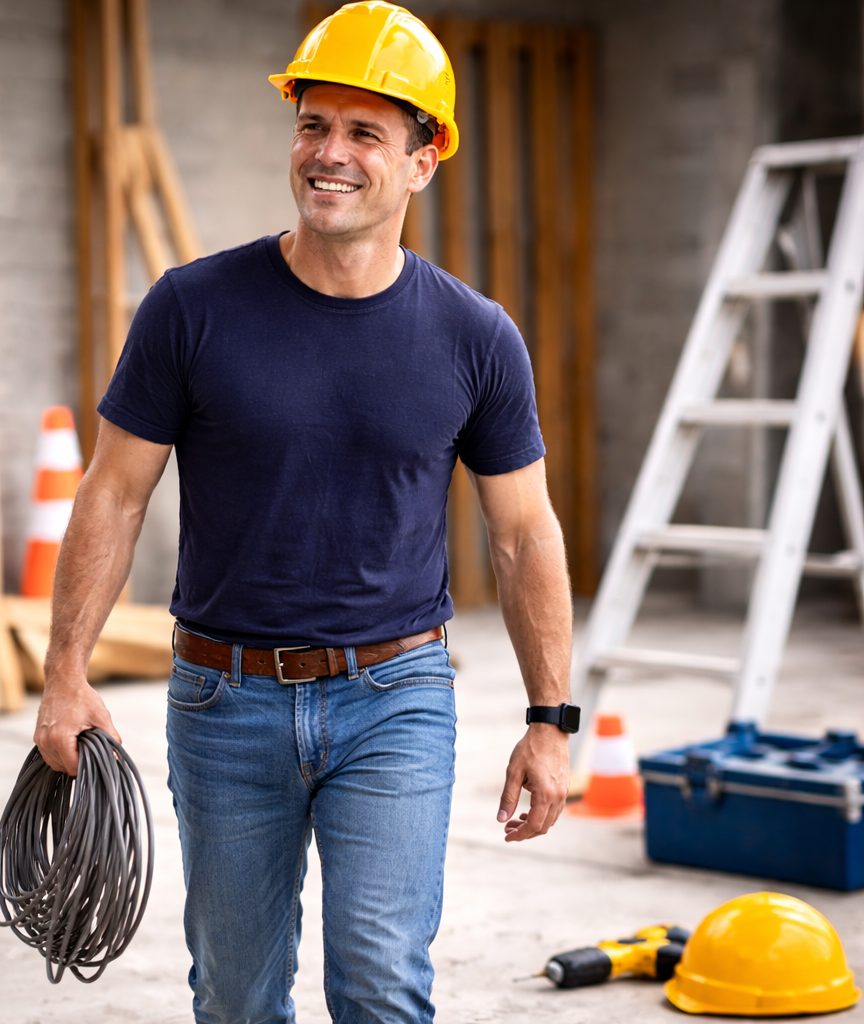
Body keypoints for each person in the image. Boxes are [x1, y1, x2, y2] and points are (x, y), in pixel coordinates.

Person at [34, 3, 575, 1021]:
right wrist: (65, 676)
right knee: (236, 994)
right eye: (313, 125)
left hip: (396, 697)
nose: (328, 153)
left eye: (365, 132)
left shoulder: (475, 337)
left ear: (424, 159)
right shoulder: (192, 308)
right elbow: (113, 489)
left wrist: (550, 720)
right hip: (221, 699)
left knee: (378, 979)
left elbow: (523, 531)